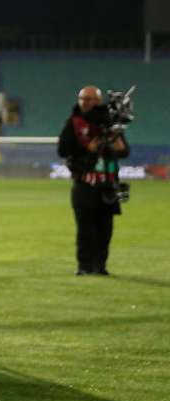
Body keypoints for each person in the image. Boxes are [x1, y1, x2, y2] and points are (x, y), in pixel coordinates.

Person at [58, 86, 129, 275]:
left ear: (99, 101)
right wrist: (87, 148)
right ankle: (84, 266)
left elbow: (124, 151)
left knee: (105, 228)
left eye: (91, 99)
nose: (86, 102)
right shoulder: (73, 123)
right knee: (84, 228)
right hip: (84, 183)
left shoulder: (111, 124)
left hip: (108, 183)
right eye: (83, 98)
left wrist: (118, 145)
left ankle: (101, 266)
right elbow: (63, 150)